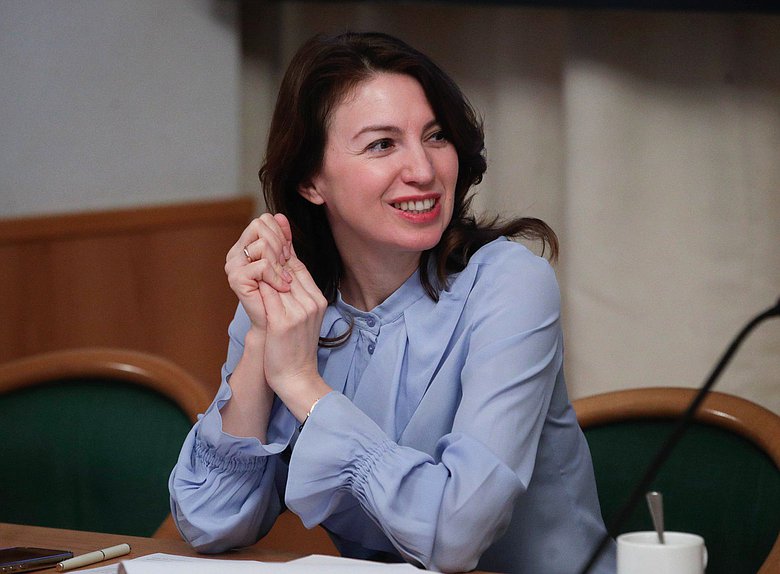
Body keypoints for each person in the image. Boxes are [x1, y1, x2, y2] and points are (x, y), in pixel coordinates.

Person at [169, 31, 616, 574]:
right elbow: (210, 520)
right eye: (382, 144)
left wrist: (302, 384)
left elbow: (456, 536)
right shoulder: (292, 294)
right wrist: (264, 340)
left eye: (436, 136)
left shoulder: (509, 284)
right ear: (310, 180)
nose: (424, 171)